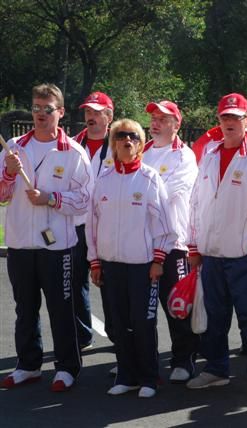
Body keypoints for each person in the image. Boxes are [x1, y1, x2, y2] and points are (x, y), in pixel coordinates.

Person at [0, 83, 92, 392]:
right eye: (36, 108)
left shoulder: (73, 152)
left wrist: (51, 199)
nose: (40, 114)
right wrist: (9, 172)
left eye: (47, 109)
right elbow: (2, 195)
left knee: (61, 308)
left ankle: (67, 367)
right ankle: (28, 365)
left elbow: (85, 200)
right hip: (20, 243)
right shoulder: (14, 147)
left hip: (58, 247)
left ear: (60, 112)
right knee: (25, 308)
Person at [187, 93, 247, 398]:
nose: (229, 122)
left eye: (235, 118)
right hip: (211, 253)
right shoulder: (210, 153)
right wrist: (194, 245)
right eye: (225, 117)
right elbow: (196, 202)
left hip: (243, 256)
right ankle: (216, 369)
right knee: (215, 316)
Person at [86, 119, 177, 398]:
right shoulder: (104, 179)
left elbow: (166, 225)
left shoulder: (150, 178)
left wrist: (158, 260)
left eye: (134, 137)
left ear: (140, 145)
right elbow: (92, 224)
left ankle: (149, 378)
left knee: (143, 323)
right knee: (119, 323)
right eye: (121, 136)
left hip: (142, 266)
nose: (127, 141)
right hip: (111, 265)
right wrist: (95, 261)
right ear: (113, 143)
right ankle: (126, 376)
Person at [143, 100, 200, 383]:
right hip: (142, 243)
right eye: (154, 118)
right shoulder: (142, 151)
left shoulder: (184, 156)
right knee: (142, 308)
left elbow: (168, 194)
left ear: (176, 124)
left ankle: (183, 359)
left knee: (176, 305)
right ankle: (141, 360)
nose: (156, 123)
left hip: (173, 243)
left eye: (163, 119)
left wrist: (137, 195)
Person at [72, 91, 115, 349]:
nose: (91, 117)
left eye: (97, 112)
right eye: (88, 112)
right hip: (77, 225)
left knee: (111, 286)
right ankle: (82, 335)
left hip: (109, 228)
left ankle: (118, 336)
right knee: (75, 282)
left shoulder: (121, 145)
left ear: (109, 116)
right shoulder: (71, 145)